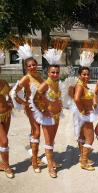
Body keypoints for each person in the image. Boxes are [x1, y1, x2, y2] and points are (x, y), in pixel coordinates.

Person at [29, 47, 64, 178]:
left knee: (52, 140)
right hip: (48, 117)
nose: (55, 74)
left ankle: (51, 160)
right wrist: (43, 111)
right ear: (48, 73)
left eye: (57, 72)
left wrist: (59, 104)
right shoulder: (45, 84)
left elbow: (56, 97)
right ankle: (50, 167)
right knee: (49, 141)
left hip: (57, 116)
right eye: (53, 72)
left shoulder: (57, 83)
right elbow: (35, 98)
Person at [10, 44, 44, 173]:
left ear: (37, 65)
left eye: (33, 65)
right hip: (32, 108)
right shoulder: (26, 78)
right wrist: (24, 103)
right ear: (26, 67)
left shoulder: (39, 77)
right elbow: (13, 92)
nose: (32, 67)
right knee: (36, 132)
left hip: (41, 108)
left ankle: (35, 156)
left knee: (36, 132)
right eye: (29, 66)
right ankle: (35, 161)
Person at [65, 50, 97, 171]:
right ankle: (84, 161)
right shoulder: (79, 85)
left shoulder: (83, 85)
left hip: (84, 114)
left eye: (87, 74)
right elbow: (77, 98)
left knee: (82, 137)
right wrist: (83, 111)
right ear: (79, 75)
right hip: (85, 115)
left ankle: (83, 158)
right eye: (84, 74)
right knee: (90, 138)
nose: (86, 76)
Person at [0, 51, 14, 178]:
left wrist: (10, 102)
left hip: (6, 115)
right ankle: (6, 166)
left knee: (1, 141)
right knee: (4, 141)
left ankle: (2, 163)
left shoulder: (4, 82)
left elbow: (9, 96)